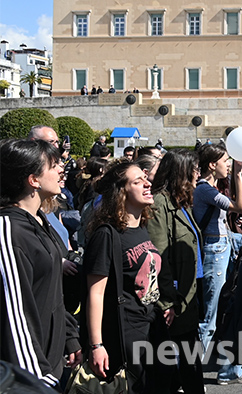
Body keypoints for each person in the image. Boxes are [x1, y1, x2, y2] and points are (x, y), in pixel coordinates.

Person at [0, 139, 82, 389]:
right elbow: (15, 316)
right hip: (31, 376)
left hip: (51, 364)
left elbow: (51, 293)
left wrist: (70, 338)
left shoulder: (39, 222)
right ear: (33, 180)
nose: (62, 170)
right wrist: (38, 380)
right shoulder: (8, 230)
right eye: (54, 165)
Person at [82, 161, 159, 393]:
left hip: (150, 327)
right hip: (125, 334)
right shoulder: (107, 235)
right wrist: (97, 345)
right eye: (138, 181)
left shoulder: (142, 227)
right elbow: (95, 293)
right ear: (121, 191)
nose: (148, 184)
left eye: (146, 179)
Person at [192, 144, 242, 385]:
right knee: (209, 318)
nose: (227, 164)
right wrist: (237, 176)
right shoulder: (205, 189)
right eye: (225, 160)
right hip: (214, 251)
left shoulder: (210, 188)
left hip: (222, 247)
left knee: (224, 312)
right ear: (211, 164)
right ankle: (188, 373)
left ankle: (227, 368)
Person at [147, 149, 205, 394]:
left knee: (190, 363)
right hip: (174, 300)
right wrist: (167, 301)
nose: (198, 174)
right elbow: (158, 256)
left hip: (189, 296)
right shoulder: (160, 203)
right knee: (175, 368)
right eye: (194, 169)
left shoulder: (181, 201)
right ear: (182, 171)